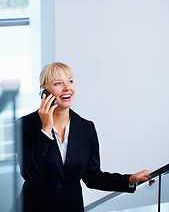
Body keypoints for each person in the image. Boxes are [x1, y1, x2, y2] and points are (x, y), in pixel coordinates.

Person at [16, 62, 153, 212]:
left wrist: (129, 179)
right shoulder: (25, 125)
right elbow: (31, 175)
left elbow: (92, 177)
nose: (67, 88)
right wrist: (46, 130)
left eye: (70, 81)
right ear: (43, 91)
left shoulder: (86, 128)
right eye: (58, 83)